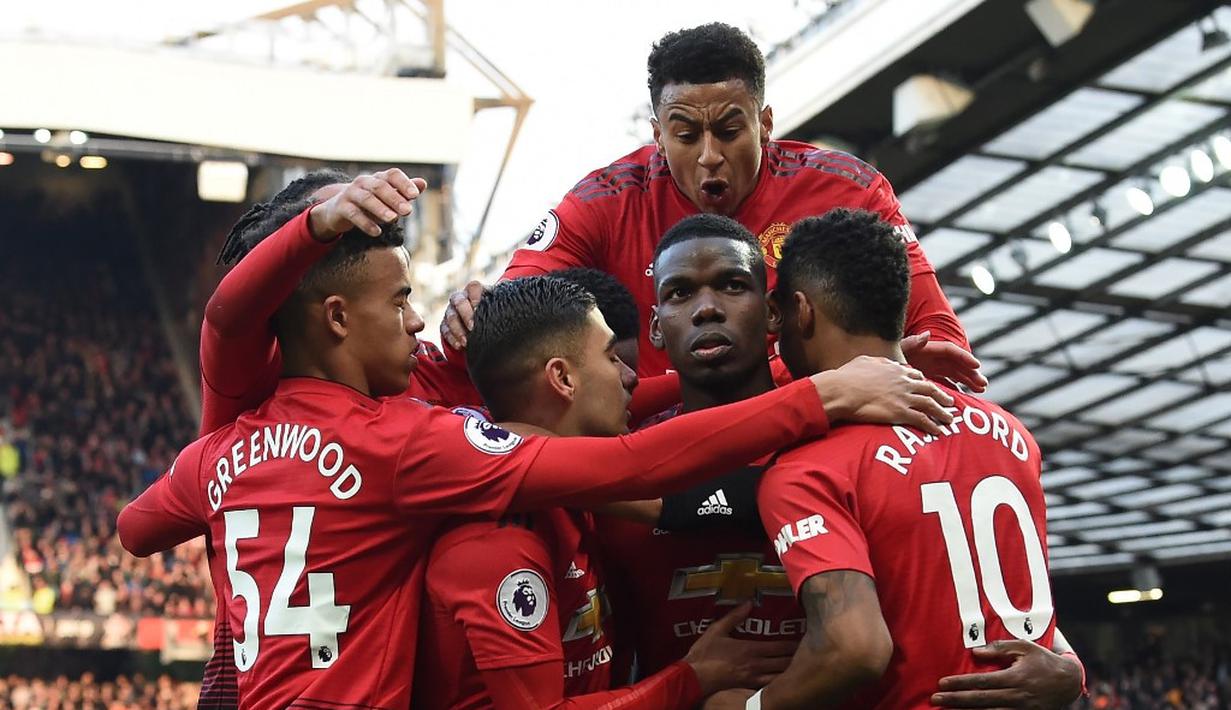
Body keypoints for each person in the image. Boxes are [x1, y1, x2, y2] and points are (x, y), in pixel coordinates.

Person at [116, 172, 956, 708]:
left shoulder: (222, 446)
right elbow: (630, 463)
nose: (420, 317)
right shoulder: (413, 444)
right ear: (332, 312)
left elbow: (136, 528)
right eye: (400, 298)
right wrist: (822, 390)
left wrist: (810, 368)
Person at [605, 213, 1084, 709]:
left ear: (779, 312)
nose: (707, 309)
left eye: (732, 285)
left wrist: (1067, 666)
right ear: (655, 328)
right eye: (681, 293)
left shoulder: (819, 457)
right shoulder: (615, 472)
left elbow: (952, 583)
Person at [441, 22, 983, 393]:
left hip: (816, 446)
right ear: (656, 134)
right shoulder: (604, 203)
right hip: (668, 458)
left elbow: (942, 342)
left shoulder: (850, 192)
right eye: (684, 134)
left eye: (729, 131)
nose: (708, 157)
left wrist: (893, 364)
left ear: (765, 124)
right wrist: (476, 312)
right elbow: (509, 313)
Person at [416, 276, 793, 709]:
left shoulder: (570, 493)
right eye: (613, 357)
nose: (631, 377)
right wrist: (692, 676)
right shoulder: (498, 542)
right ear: (562, 378)